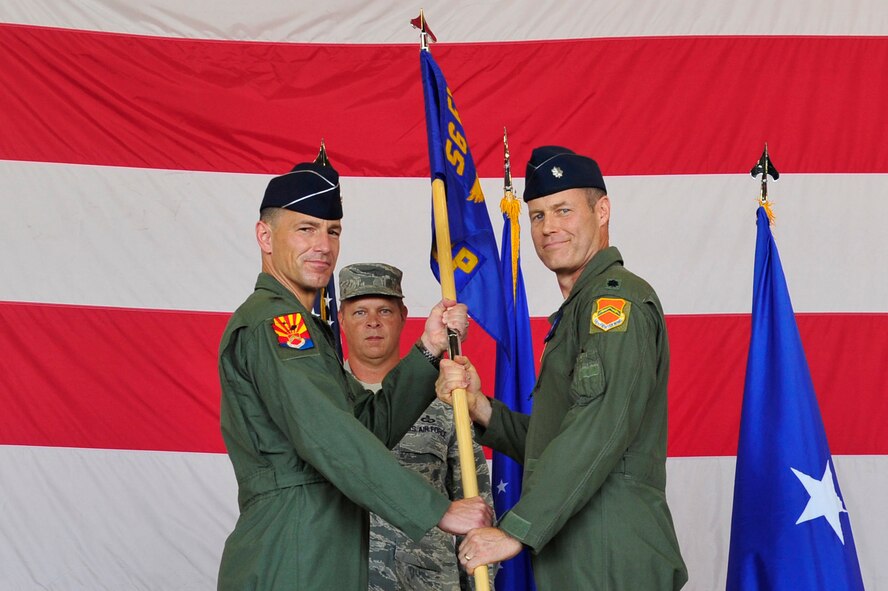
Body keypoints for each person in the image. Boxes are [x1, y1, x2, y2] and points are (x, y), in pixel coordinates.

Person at [217, 159, 493, 590]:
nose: (323, 246)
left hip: (318, 544)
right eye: (306, 229)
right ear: (265, 237)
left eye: (333, 231)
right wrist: (436, 510)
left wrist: (428, 349)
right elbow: (328, 434)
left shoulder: (304, 327)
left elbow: (364, 427)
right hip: (293, 550)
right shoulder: (276, 325)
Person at [437, 146, 688, 589]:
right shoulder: (578, 310)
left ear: (602, 211)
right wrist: (479, 408)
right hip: (583, 553)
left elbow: (599, 427)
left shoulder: (615, 304)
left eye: (563, 210)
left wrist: (516, 529)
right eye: (537, 215)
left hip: (611, 556)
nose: (548, 227)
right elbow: (555, 439)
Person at [337, 262, 495, 591]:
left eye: (384, 311)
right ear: (341, 319)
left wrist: (481, 582)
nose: (373, 322)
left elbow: (475, 503)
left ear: (403, 316)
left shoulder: (444, 396)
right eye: (359, 312)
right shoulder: (325, 402)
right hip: (344, 576)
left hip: (429, 581)